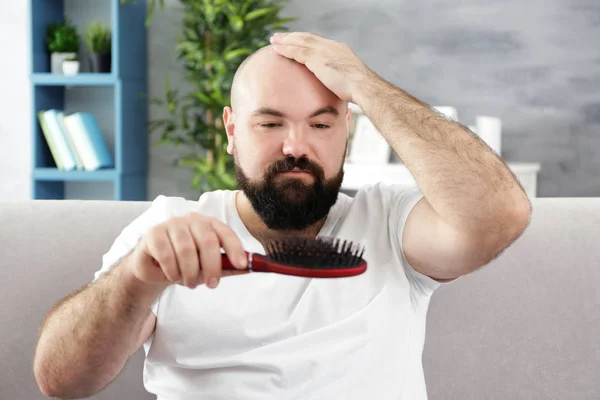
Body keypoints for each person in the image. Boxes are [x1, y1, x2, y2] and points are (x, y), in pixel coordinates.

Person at [33, 32, 531, 399]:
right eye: (271, 122)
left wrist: (365, 85)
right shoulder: (169, 229)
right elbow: (60, 381)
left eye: (321, 123)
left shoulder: (391, 224)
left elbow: (501, 213)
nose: (296, 145)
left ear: (347, 131)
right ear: (230, 129)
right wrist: (137, 280)